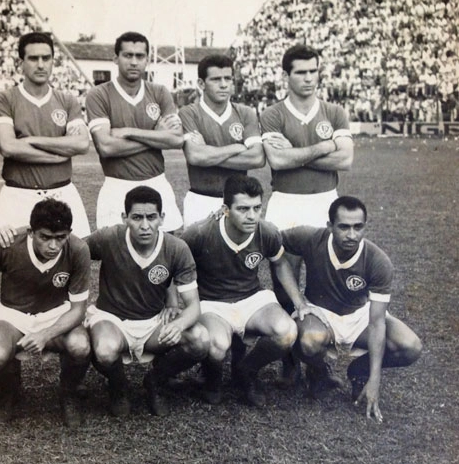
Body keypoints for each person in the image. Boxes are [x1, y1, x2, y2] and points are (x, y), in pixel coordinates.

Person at [259, 44, 354, 385]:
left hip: (324, 201)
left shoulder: (334, 112)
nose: (308, 78)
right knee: (285, 282)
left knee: (322, 281)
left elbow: (345, 160)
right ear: (286, 76)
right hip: (285, 201)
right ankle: (289, 360)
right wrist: (325, 148)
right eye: (300, 72)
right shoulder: (271, 114)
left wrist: (301, 153)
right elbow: (279, 162)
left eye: (313, 71)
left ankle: (317, 363)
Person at [281, 196, 422, 422]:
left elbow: (377, 322)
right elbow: (270, 241)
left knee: (410, 346)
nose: (352, 234)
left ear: (365, 226)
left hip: (360, 315)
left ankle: (358, 371)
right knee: (309, 341)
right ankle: (318, 371)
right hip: (320, 312)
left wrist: (374, 378)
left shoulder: (378, 261)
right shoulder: (311, 238)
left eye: (358, 227)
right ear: (330, 226)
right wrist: (298, 299)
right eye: (344, 227)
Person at [0, 198, 91, 428]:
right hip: (12, 314)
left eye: (60, 237)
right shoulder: (8, 244)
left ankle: (68, 393)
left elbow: (78, 309)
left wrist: (45, 334)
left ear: (68, 233)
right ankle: (10, 390)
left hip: (56, 313)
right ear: (31, 232)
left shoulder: (78, 249)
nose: (53, 246)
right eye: (45, 237)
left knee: (80, 346)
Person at [85, 186, 209, 417]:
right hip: (112, 320)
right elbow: (71, 247)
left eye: (151, 217)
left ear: (162, 218)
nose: (144, 226)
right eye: (137, 218)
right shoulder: (109, 238)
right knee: (104, 349)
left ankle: (156, 381)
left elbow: (193, 305)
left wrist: (178, 325)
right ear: (125, 218)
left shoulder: (176, 248)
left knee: (200, 340)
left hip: (152, 322)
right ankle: (118, 386)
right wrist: (19, 233)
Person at [181, 176, 301, 407]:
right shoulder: (200, 232)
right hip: (212, 302)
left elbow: (280, 262)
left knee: (286, 331)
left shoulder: (266, 231)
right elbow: (176, 262)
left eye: (257, 208)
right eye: (243, 209)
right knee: (216, 345)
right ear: (225, 209)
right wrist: (177, 302)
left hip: (251, 297)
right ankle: (212, 381)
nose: (252, 216)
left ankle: (246, 371)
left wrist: (299, 301)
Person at [0, 32, 91, 238]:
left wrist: (31, 140)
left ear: (53, 62)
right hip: (19, 193)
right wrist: (59, 155)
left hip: (62, 192)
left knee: (73, 258)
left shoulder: (67, 100)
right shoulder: (5, 99)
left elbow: (81, 143)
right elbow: (8, 146)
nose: (41, 64)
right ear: (21, 63)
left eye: (46, 58)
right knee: (17, 263)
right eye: (33, 58)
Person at [86, 31, 184, 232]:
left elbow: (176, 140)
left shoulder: (159, 92)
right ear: (115, 58)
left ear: (147, 60)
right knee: (117, 256)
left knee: (164, 253)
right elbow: (105, 146)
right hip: (117, 184)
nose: (134, 62)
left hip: (157, 181)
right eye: (127, 55)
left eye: (140, 56)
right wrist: (156, 135)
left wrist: (129, 131)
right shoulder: (99, 94)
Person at [179, 55, 264, 227]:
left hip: (239, 202)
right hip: (200, 198)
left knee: (238, 252)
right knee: (199, 253)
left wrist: (208, 152)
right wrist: (237, 147)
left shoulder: (246, 113)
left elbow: (257, 158)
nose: (224, 84)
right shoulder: (189, 113)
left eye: (228, 79)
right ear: (201, 84)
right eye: (216, 79)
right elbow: (195, 157)